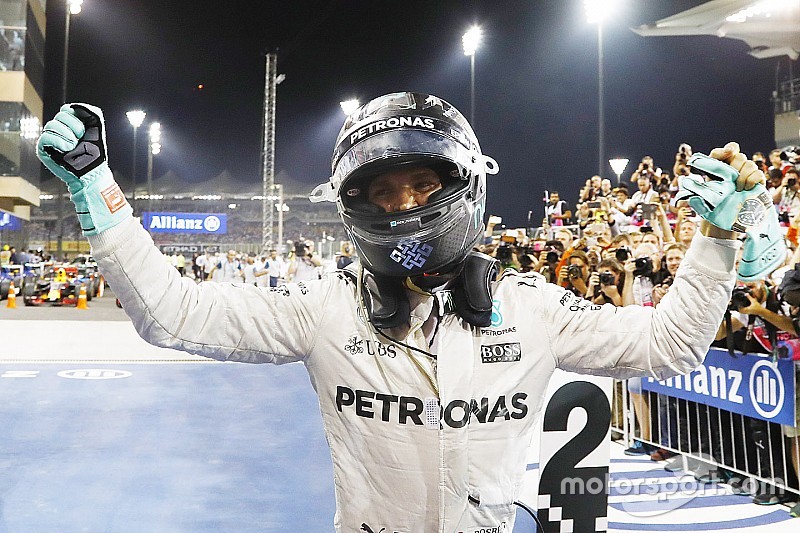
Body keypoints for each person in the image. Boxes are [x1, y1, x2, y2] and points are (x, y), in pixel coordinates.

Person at [38, 95, 758, 532]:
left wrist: (719, 239)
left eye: (421, 182)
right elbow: (173, 313)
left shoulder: (531, 308)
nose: (405, 204)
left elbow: (670, 343)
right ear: (353, 206)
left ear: (465, 185)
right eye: (381, 191)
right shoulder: (326, 306)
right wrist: (95, 184)